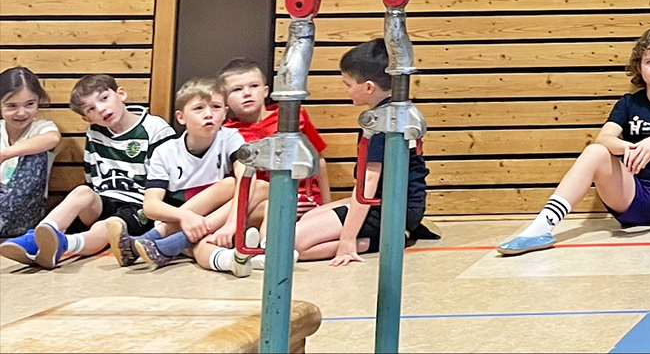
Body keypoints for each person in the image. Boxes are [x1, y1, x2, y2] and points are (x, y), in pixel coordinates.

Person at [497, 28, 650, 257]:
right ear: (639, 67)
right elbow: (604, 138)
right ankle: (540, 229)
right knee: (595, 150)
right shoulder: (628, 103)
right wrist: (628, 147)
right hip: (629, 195)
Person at [0, 73, 175, 268]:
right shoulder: (95, 131)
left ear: (121, 94)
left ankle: (64, 244)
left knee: (108, 226)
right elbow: (92, 178)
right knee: (82, 192)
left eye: (104, 98)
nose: (101, 109)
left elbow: (168, 178)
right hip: (104, 199)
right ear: (87, 118)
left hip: (139, 205)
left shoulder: (154, 128)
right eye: (91, 108)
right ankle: (36, 237)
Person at [289, 39, 429, 265]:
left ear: (369, 87)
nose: (345, 90)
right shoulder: (395, 111)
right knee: (308, 217)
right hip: (398, 204)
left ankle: (388, 238)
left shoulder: (383, 124)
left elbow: (368, 185)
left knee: (296, 244)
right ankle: (394, 232)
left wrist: (347, 240)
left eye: (347, 84)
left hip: (391, 209)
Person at [124, 78, 255, 275]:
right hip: (176, 221)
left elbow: (247, 177)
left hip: (216, 220)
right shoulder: (165, 151)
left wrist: (230, 225)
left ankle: (159, 245)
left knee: (251, 185)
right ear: (181, 117)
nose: (209, 114)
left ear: (225, 113)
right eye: (199, 108)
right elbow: (150, 206)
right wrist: (184, 216)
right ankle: (165, 240)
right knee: (233, 185)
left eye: (216, 107)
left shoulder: (230, 137)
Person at [221, 57, 330, 217]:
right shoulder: (227, 132)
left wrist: (327, 208)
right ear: (224, 99)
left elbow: (318, 160)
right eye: (237, 89)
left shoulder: (291, 117)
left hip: (300, 198)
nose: (247, 93)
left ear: (265, 91)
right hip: (257, 201)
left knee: (262, 203)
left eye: (254, 86)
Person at [0, 67, 60, 240]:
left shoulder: (42, 128)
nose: (21, 112)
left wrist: (5, 154)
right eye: (12, 106)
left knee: (36, 152)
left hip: (23, 213)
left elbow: (53, 139)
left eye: (30, 104)